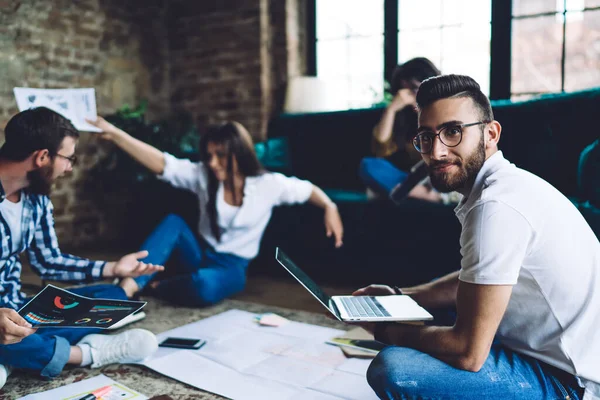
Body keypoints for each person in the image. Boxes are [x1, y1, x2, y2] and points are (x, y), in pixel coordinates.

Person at [354, 75, 600, 399]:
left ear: (491, 133)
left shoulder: (496, 206)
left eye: (453, 131)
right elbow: (478, 280)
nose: (437, 151)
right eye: (426, 137)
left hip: (570, 382)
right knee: (436, 316)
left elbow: (468, 353)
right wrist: (402, 296)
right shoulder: (506, 185)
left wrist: (386, 330)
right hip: (553, 352)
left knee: (396, 367)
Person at [87, 118, 344, 307]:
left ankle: (160, 286)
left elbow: (308, 189)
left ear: (239, 153)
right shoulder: (203, 175)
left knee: (204, 286)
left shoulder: (270, 185)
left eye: (220, 155)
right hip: (198, 254)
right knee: (173, 223)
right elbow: (165, 164)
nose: (212, 163)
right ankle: (127, 289)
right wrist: (118, 135)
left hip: (232, 267)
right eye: (209, 155)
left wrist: (330, 207)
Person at [0, 107, 162, 389]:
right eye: (69, 158)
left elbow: (48, 261)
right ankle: (87, 354)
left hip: (19, 308)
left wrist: (113, 268)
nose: (70, 168)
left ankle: (16, 355)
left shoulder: (36, 200)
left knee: (110, 296)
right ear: (42, 157)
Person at [360, 57, 456, 203]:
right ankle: (420, 194)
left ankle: (403, 192)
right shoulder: (403, 117)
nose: (408, 97)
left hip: (440, 173)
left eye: (413, 89)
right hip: (412, 180)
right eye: (403, 91)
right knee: (369, 165)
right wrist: (392, 109)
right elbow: (379, 151)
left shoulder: (447, 108)